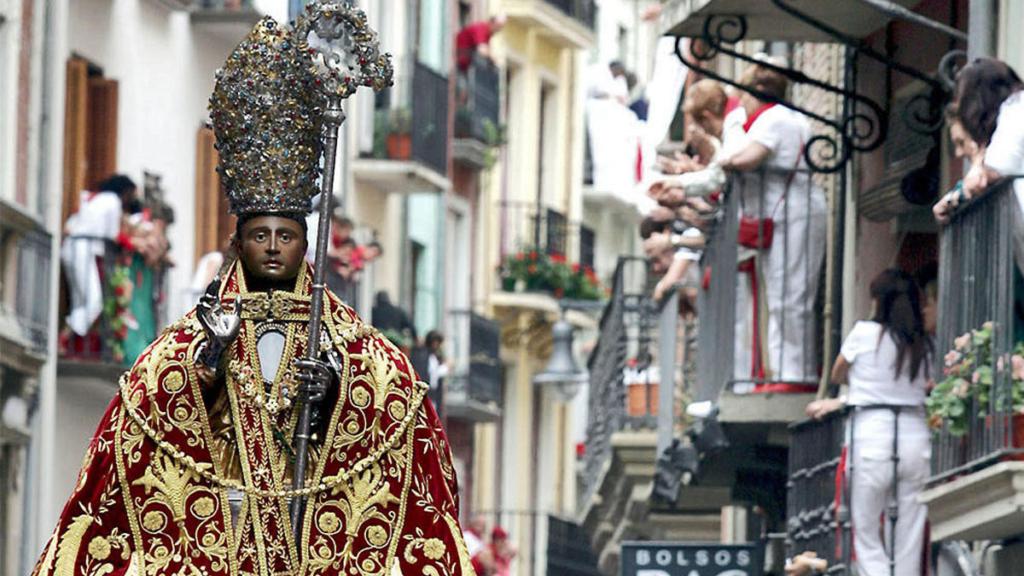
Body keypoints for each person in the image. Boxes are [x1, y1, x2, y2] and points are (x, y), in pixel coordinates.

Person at [34, 17, 473, 576]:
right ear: (238, 243)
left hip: (310, 534)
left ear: (304, 243)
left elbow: (399, 425)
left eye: (285, 236)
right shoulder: (190, 338)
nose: (271, 249)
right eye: (259, 236)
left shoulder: (355, 348)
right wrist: (208, 367)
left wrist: (339, 394)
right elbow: (139, 434)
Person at [805, 269, 932, 576]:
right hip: (916, 438)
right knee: (910, 529)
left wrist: (858, 385)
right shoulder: (923, 344)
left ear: (878, 301)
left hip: (871, 438)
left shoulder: (863, 333)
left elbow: (837, 373)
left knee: (863, 529)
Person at [720, 59, 827, 391]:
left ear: (756, 91)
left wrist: (727, 144)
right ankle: (785, 370)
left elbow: (745, 158)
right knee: (783, 295)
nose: (741, 103)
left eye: (744, 95)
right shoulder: (779, 118)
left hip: (794, 214)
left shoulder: (775, 119)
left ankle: (796, 373)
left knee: (791, 295)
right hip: (783, 216)